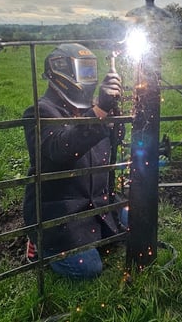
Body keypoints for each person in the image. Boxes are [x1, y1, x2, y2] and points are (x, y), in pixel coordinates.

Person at [22, 43, 126, 279]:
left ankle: (98, 235)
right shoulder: (40, 112)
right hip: (61, 212)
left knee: (137, 223)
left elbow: (115, 141)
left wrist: (114, 114)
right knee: (87, 268)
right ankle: (39, 247)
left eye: (91, 71)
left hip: (99, 202)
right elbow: (62, 149)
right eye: (84, 71)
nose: (88, 78)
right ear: (62, 73)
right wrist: (99, 112)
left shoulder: (89, 108)